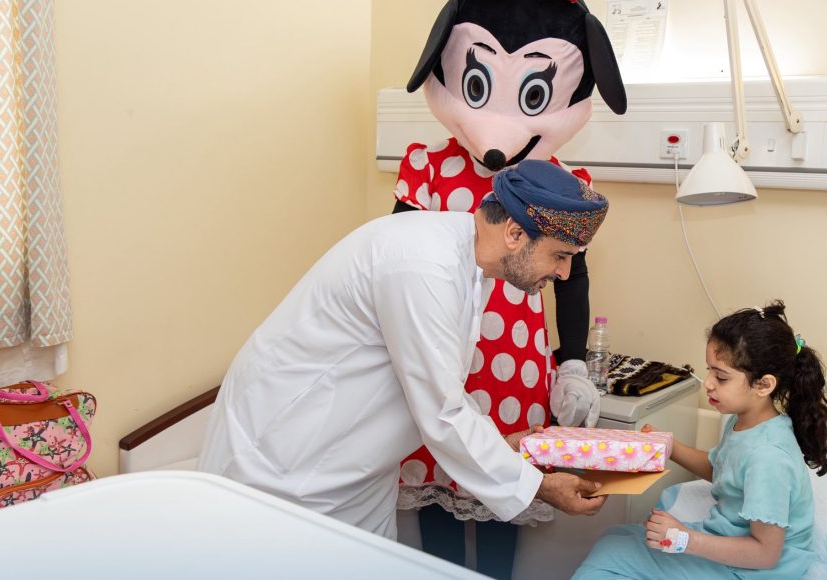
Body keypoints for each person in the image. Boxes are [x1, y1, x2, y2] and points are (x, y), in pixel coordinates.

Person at [197, 160, 610, 539]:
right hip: (286, 460)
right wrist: (539, 486)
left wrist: (499, 444)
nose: (564, 272)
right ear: (515, 233)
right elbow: (442, 412)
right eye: (560, 255)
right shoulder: (423, 264)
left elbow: (439, 385)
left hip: (356, 468)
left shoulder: (465, 262)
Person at [393, 1, 626, 575]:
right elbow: (396, 264)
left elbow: (573, 279)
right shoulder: (427, 168)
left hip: (513, 363)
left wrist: (572, 363)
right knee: (440, 495)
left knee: (507, 494)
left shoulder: (562, 185)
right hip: (439, 356)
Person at [572, 300, 827, 579]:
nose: (707, 383)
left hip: (752, 571)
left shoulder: (768, 457)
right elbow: (722, 470)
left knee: (608, 563)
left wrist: (685, 539)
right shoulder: (745, 421)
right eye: (709, 370)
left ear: (764, 385)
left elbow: (765, 554)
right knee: (614, 538)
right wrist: (670, 446)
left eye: (721, 377)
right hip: (733, 547)